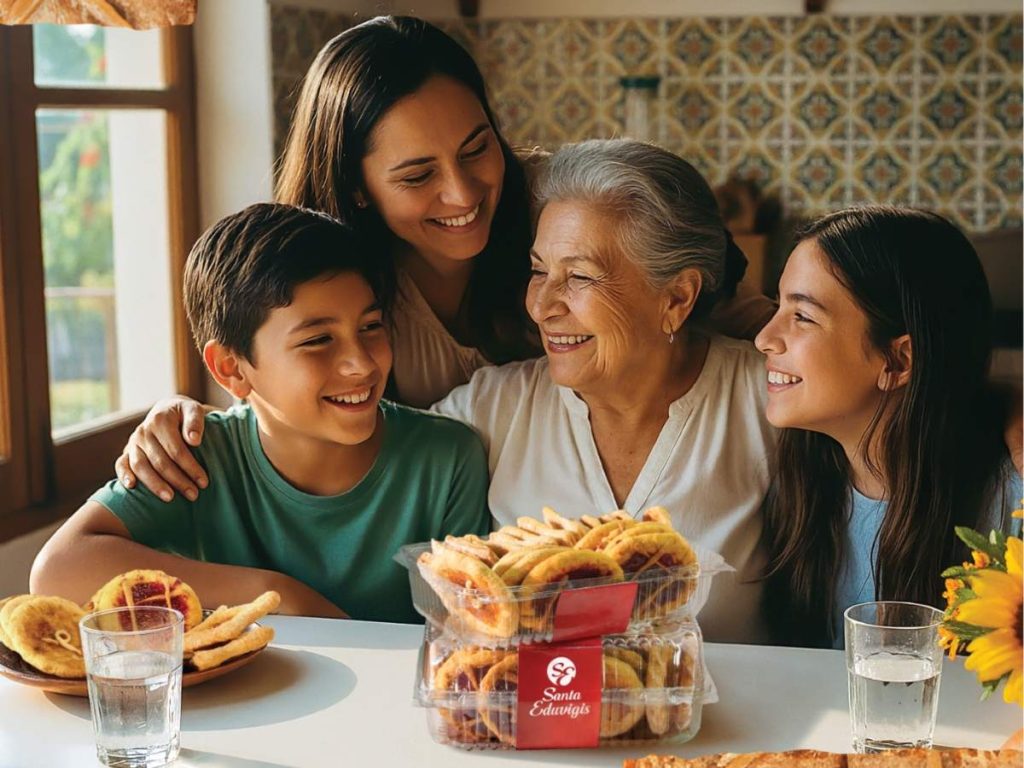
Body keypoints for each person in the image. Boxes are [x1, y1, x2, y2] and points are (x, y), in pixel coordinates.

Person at [112, 15, 775, 504]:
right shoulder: (338, 286)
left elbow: (717, 299)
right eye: (416, 175)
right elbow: (274, 393)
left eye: (476, 147)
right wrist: (183, 414)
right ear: (355, 190)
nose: (462, 193)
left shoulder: (552, 202)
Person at [30, 204, 491, 622]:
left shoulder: (447, 459)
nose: (363, 363)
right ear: (231, 369)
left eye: (371, 326)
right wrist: (274, 593)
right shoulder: (194, 458)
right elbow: (57, 570)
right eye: (317, 340)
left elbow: (462, 639)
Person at [430, 139, 776, 643]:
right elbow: (365, 454)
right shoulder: (494, 408)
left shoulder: (763, 401)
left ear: (677, 297)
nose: (543, 305)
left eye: (580, 276)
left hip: (739, 718)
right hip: (537, 715)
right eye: (538, 270)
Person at [754, 206, 1023, 648]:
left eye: (802, 316)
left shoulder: (1013, 505)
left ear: (898, 360)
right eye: (777, 306)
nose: (764, 337)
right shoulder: (798, 484)